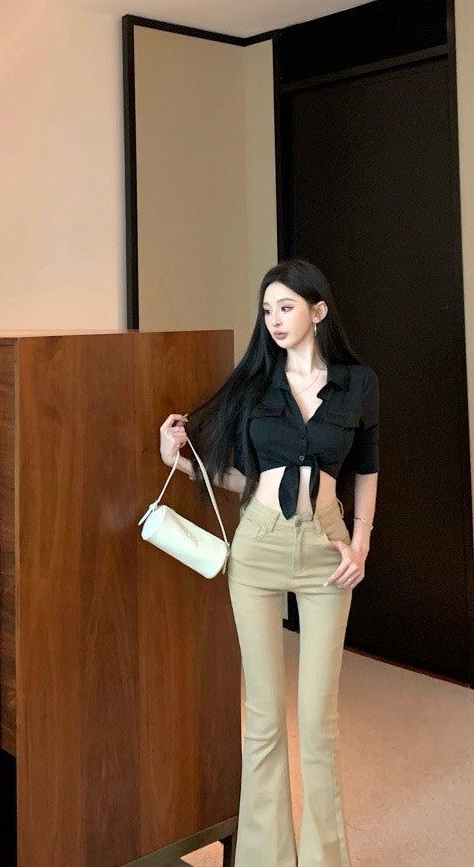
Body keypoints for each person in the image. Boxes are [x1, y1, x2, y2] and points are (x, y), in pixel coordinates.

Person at [158, 258, 378, 867]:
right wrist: (177, 458)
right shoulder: (254, 386)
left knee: (318, 721)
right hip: (258, 547)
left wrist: (361, 543)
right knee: (262, 719)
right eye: (267, 310)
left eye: (286, 307)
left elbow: (366, 468)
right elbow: (239, 479)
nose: (275, 320)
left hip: (328, 549)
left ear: (318, 310)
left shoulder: (358, 384)